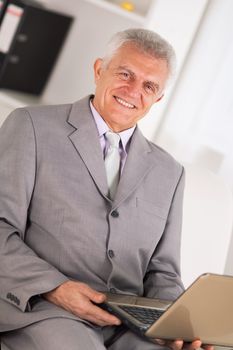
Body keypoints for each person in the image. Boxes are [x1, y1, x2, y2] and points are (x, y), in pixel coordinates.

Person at [0, 28, 212, 350]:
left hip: (129, 325)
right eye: (125, 74)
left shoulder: (170, 172)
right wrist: (54, 287)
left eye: (149, 85)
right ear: (99, 70)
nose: (133, 90)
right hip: (43, 308)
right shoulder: (30, 126)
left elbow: (162, 273)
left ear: (158, 98)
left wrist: (179, 326)